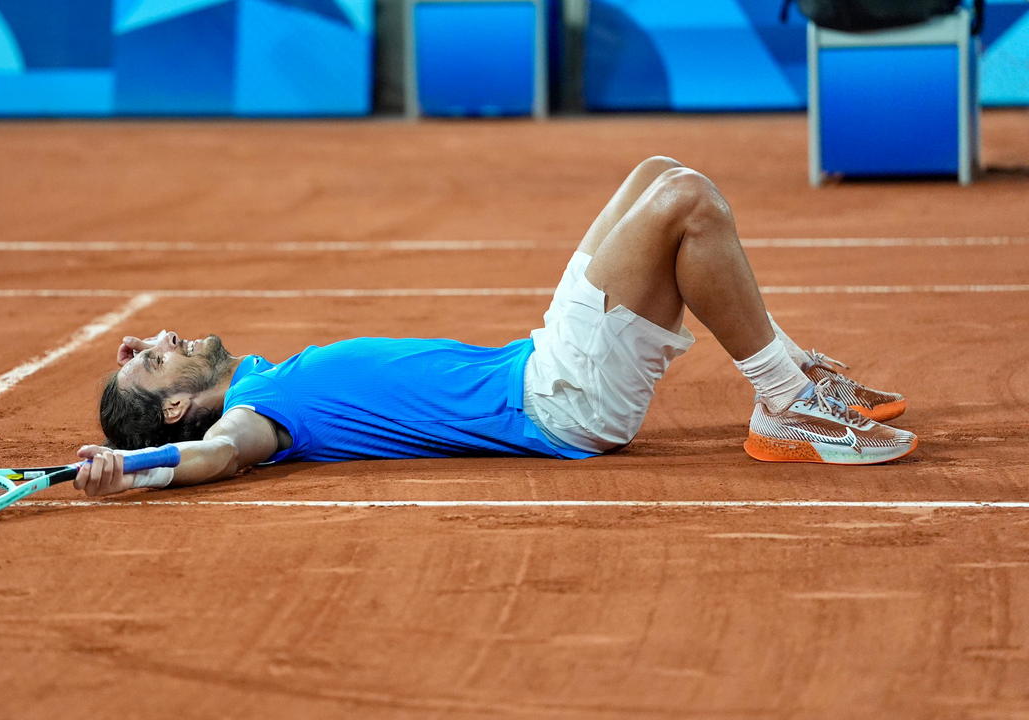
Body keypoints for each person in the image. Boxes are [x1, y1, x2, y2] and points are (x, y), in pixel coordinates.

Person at [73, 157, 915, 497]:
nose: (154, 342)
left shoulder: (258, 377)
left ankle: (798, 371)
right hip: (559, 400)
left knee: (660, 174)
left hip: (540, 362)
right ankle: (783, 400)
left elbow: (185, 401)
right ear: (178, 409)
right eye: (150, 367)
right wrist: (138, 466)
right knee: (687, 207)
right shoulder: (253, 417)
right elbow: (220, 455)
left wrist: (140, 378)